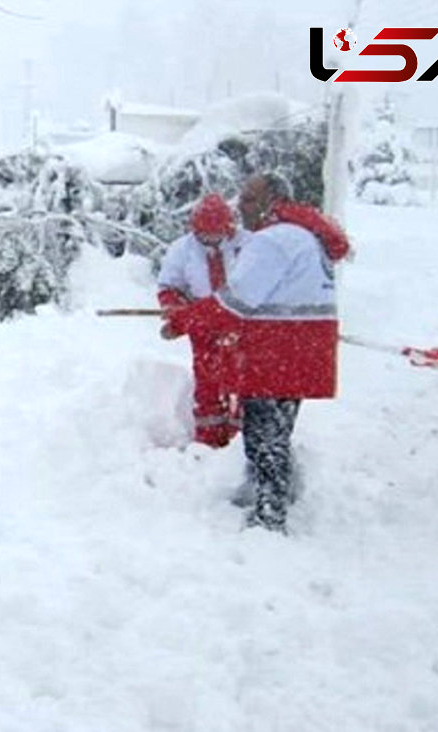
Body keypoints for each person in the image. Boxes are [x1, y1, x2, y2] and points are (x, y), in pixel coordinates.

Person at [167, 173, 349, 533]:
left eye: (249, 199)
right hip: (302, 350)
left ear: (272, 202)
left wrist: (184, 320)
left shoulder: (273, 241)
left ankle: (269, 517)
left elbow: (236, 300)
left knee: (264, 438)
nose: (241, 206)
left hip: (276, 352)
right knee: (277, 433)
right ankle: (272, 498)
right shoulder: (304, 236)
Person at [157, 193, 250, 447]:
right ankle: (209, 439)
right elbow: (169, 286)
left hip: (242, 325)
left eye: (216, 234)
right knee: (208, 380)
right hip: (203, 326)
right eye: (204, 235)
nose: (210, 240)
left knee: (244, 382)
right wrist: (177, 311)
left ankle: (243, 437)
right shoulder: (182, 250)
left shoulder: (248, 245)